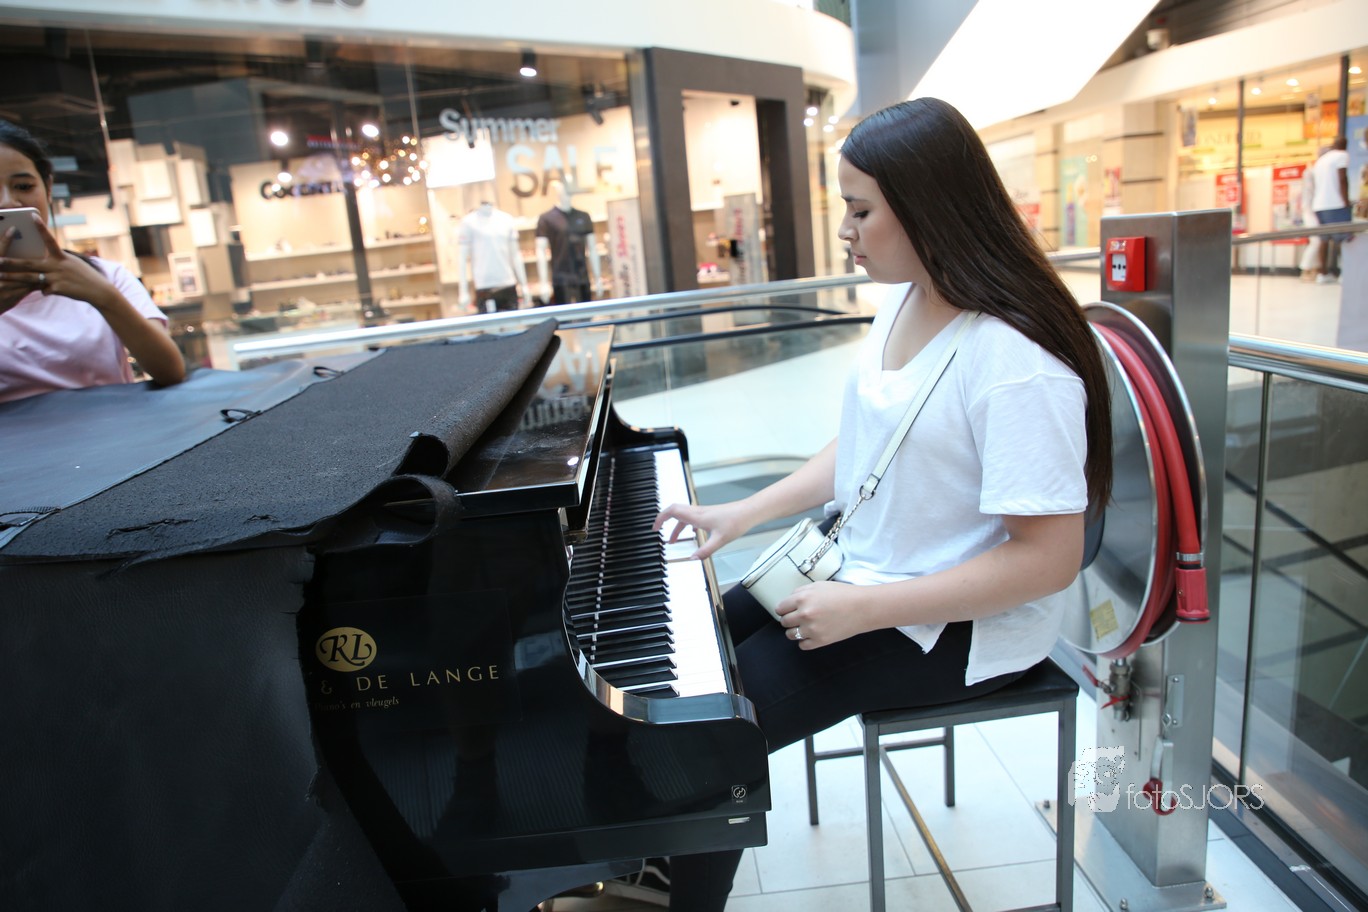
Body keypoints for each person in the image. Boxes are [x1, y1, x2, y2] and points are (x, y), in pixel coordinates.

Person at [647, 97, 1113, 911]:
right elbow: (868, 446)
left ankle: (677, 886)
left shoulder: (1015, 361)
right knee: (690, 649)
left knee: (713, 737)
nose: (845, 231)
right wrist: (745, 512)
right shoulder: (906, 296)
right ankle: (657, 849)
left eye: (860, 210)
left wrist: (863, 611)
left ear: (928, 206)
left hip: (950, 628)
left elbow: (1048, 560)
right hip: (867, 570)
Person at [0, 119, 184, 403]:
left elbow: (170, 371)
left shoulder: (105, 274)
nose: (8, 202)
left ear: (48, 188)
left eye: (23, 186)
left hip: (114, 429)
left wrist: (102, 295)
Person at [534, 178, 602, 305]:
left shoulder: (584, 216)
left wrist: (597, 277)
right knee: (564, 315)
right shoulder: (546, 219)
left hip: (582, 277)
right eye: (563, 187)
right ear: (557, 190)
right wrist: (543, 282)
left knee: (586, 314)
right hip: (561, 279)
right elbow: (540, 251)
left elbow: (593, 248)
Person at [456, 201, 528, 313]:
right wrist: (463, 291)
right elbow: (462, 259)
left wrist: (524, 285)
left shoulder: (506, 219)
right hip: (484, 286)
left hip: (508, 283)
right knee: (489, 323)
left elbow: (515, 254)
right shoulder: (468, 222)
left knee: (512, 322)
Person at [1310, 136, 1350, 284]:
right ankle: (1345, 273)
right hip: (1335, 204)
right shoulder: (1342, 155)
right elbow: (1342, 178)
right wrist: (1346, 201)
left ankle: (1323, 273)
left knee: (1324, 239)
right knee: (1344, 240)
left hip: (1319, 205)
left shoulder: (1322, 160)